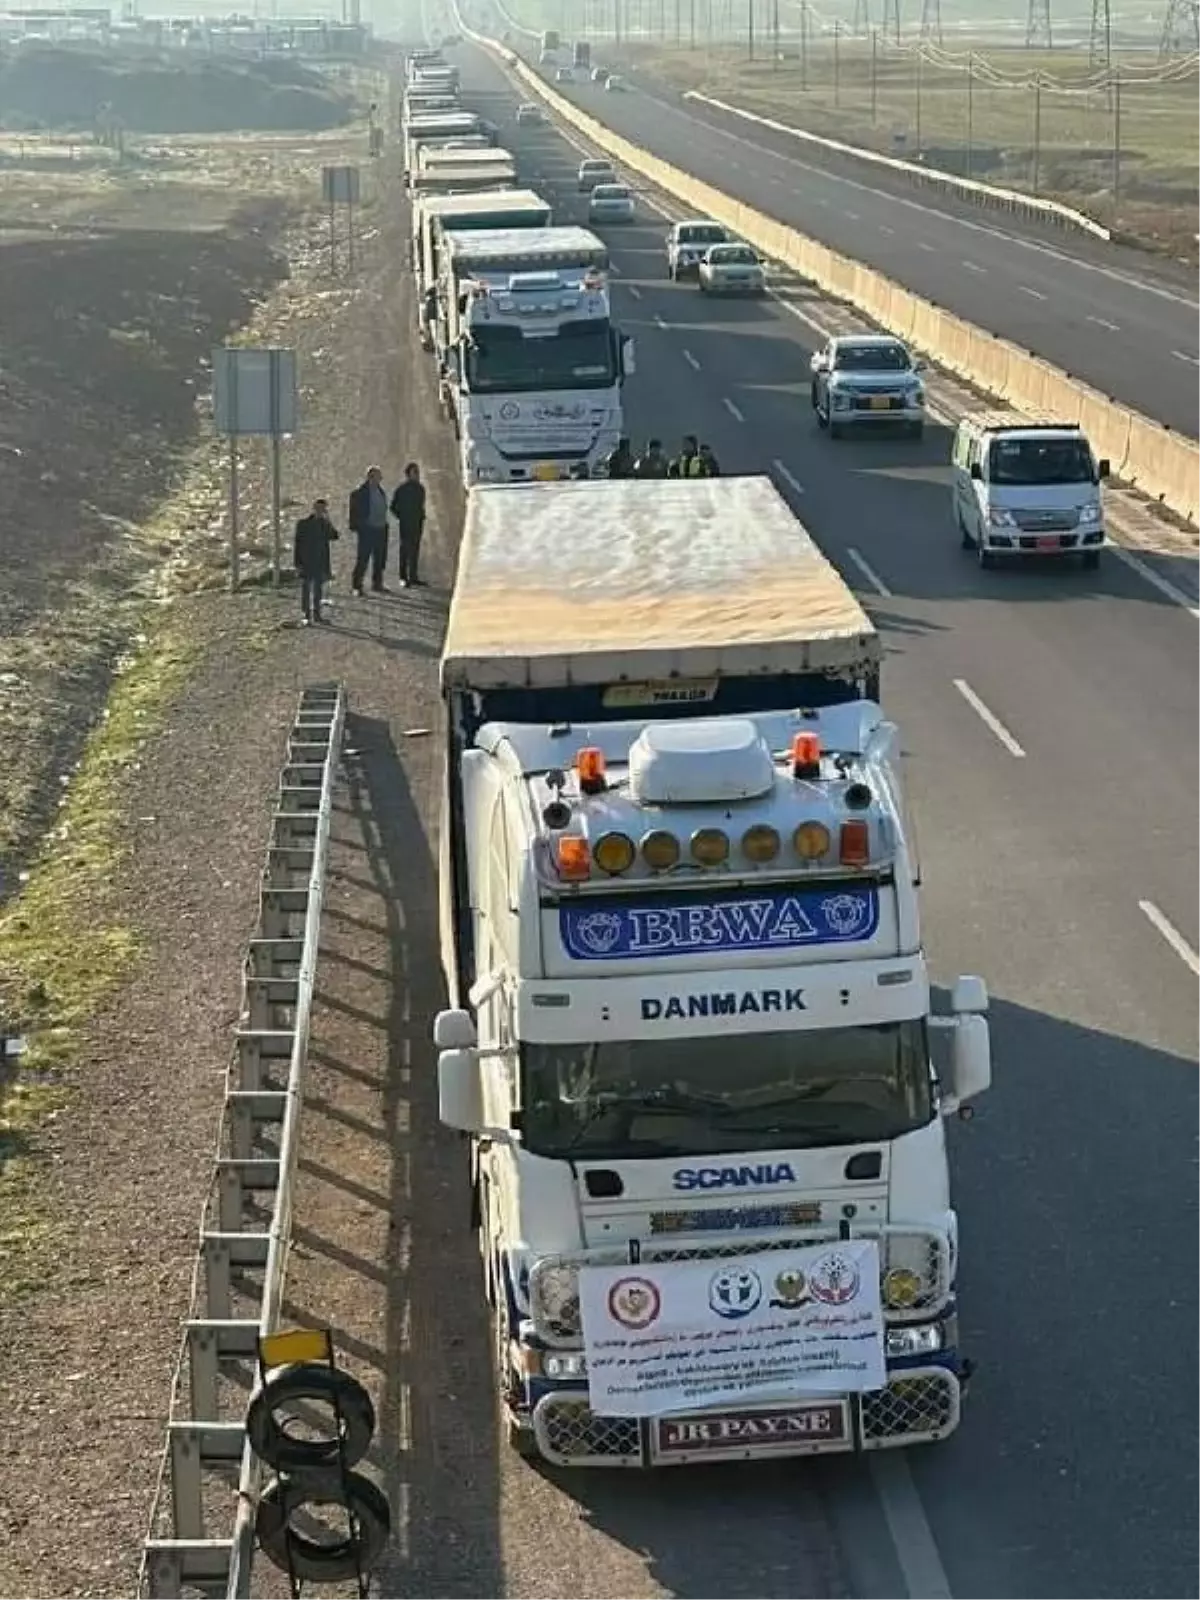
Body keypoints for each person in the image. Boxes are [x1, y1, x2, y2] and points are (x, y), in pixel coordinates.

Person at [293, 497, 339, 626]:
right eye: (318, 508)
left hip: (320, 561)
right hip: (306, 561)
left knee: (318, 589)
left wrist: (328, 520)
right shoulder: (303, 524)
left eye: (323, 509)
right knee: (306, 588)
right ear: (314, 509)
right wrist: (297, 563)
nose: (320, 511)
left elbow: (334, 536)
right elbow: (298, 544)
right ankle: (306, 614)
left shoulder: (324, 524)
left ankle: (317, 614)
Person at [348, 466, 390, 595]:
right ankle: (357, 586)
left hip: (380, 529)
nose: (379, 479)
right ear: (370, 477)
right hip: (367, 530)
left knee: (379, 558)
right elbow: (354, 513)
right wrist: (358, 526)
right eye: (377, 476)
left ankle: (377, 583)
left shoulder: (380, 491)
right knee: (363, 559)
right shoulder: (360, 493)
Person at [391, 462, 427, 588]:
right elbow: (393, 507)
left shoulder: (420, 489)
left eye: (417, 472)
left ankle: (413, 576)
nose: (417, 475)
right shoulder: (402, 489)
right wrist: (403, 517)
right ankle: (403, 577)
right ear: (408, 474)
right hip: (406, 524)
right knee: (405, 551)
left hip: (417, 524)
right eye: (414, 472)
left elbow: (421, 505)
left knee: (415, 550)